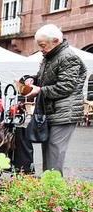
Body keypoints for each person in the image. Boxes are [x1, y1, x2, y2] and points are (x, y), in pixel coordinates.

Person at [24, 24, 86, 175]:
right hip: (53, 109)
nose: (41, 49)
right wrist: (32, 79)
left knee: (54, 149)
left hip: (65, 110)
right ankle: (49, 185)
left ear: (56, 40)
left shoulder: (68, 57)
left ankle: (53, 189)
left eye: (43, 45)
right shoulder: (50, 56)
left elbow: (66, 86)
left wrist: (40, 90)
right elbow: (45, 78)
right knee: (49, 147)